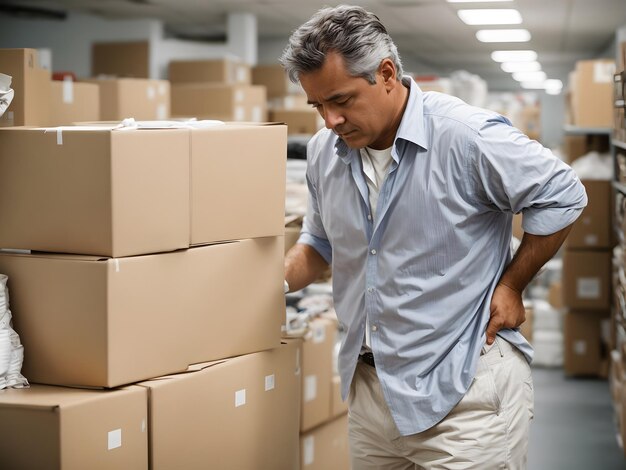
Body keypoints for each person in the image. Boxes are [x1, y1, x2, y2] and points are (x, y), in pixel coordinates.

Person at [280, 5, 587, 469]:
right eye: (318, 105)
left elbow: (563, 194)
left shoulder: (465, 136)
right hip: (371, 394)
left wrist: (512, 284)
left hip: (463, 392)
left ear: (386, 74)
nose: (329, 121)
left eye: (340, 101)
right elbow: (319, 244)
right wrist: (269, 281)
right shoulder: (326, 153)